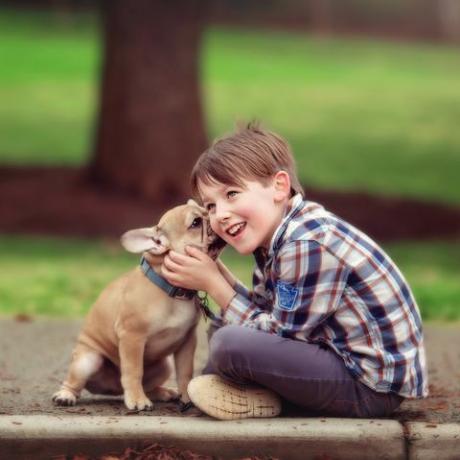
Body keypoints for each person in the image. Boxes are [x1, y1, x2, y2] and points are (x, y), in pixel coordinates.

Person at [160, 121, 428, 420]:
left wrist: (214, 285)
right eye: (210, 206)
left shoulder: (306, 243)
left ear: (279, 186)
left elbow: (283, 335)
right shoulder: (277, 238)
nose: (220, 215)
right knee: (224, 327)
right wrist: (217, 273)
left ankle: (260, 399)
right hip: (336, 360)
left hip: (370, 387)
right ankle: (241, 392)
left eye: (232, 194)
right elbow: (265, 311)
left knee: (228, 344)